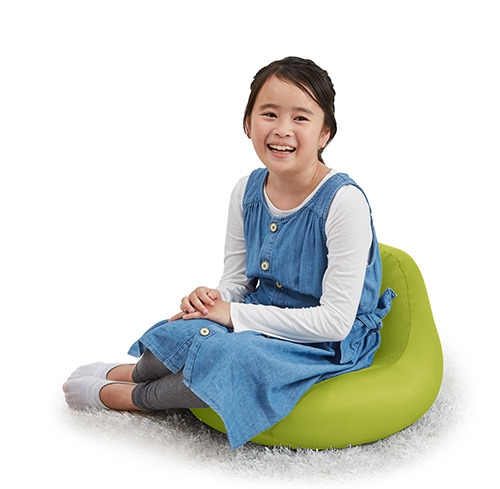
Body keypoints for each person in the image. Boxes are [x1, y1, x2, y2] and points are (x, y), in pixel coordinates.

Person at [63, 56, 395, 449]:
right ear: (248, 123)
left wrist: (232, 314)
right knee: (183, 328)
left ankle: (134, 397)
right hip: (263, 312)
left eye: (300, 118)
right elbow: (238, 281)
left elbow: (335, 323)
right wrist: (214, 300)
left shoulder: (344, 202)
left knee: (236, 356)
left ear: (325, 133)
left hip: (325, 342)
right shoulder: (246, 191)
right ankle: (133, 372)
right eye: (269, 114)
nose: (282, 129)